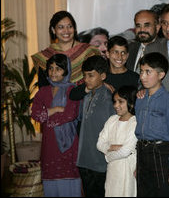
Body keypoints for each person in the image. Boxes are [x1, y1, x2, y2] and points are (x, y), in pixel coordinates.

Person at [31, 54, 81, 197]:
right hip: (49, 144)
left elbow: (70, 114)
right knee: (50, 180)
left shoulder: (72, 90)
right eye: (50, 69)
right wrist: (55, 109)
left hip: (69, 144)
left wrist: (47, 116)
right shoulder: (43, 91)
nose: (53, 73)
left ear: (66, 70)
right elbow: (35, 114)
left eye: (58, 69)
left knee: (69, 180)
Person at [135, 52, 169, 197]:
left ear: (161, 74)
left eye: (148, 72)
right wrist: (138, 163)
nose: (143, 76)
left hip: (162, 154)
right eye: (141, 71)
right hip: (143, 152)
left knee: (163, 193)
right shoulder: (140, 98)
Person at [76, 55, 115, 197]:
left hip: (101, 162)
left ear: (103, 76)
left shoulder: (110, 98)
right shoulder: (85, 96)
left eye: (91, 75)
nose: (86, 79)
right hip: (84, 159)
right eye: (84, 75)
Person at [31, 10, 100, 87]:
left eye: (69, 26)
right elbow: (43, 87)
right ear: (53, 30)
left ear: (74, 29)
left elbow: (98, 80)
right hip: (54, 98)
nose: (66, 31)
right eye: (61, 27)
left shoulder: (88, 52)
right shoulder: (45, 57)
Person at [97, 85, 138, 197]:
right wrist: (113, 147)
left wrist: (108, 156)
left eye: (121, 102)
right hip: (112, 170)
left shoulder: (135, 123)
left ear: (131, 102)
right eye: (115, 102)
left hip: (128, 169)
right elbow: (100, 144)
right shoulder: (112, 120)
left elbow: (126, 151)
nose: (116, 105)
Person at [69, 35, 140, 100]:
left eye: (123, 53)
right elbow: (73, 95)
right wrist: (100, 84)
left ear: (127, 56)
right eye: (115, 52)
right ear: (107, 54)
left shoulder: (135, 78)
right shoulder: (100, 76)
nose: (119, 57)